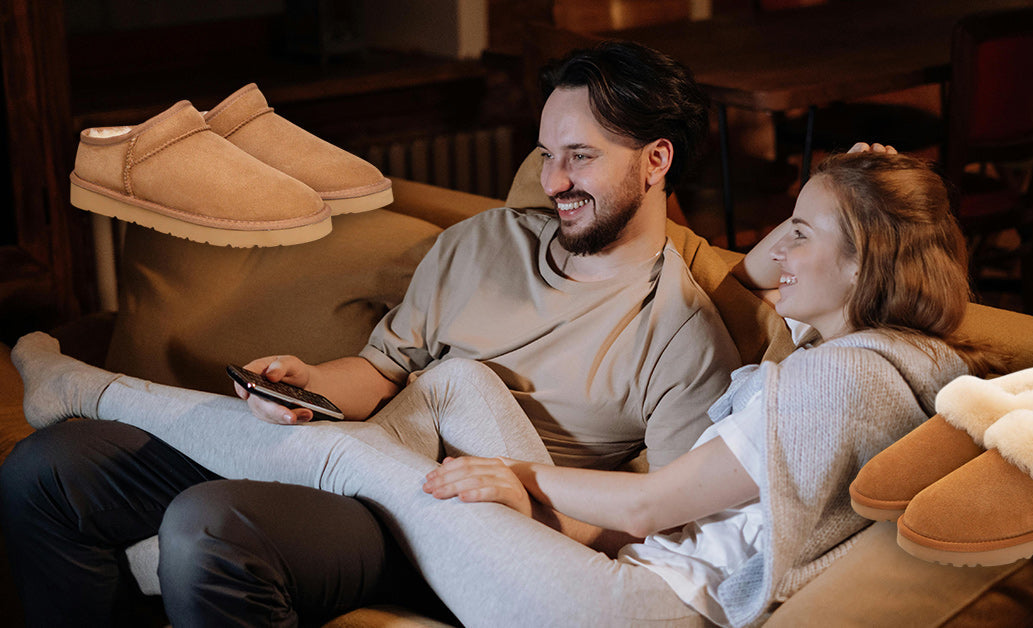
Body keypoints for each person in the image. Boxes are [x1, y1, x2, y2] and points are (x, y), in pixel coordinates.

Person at [8, 148, 996, 627]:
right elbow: (753, 276)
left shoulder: (841, 379)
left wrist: (514, 480)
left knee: (359, 460)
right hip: (632, 567)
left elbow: (651, 503)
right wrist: (848, 185)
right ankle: (295, 465)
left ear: (864, 267)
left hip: (634, 609)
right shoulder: (859, 361)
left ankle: (85, 391)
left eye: (803, 232)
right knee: (458, 376)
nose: (777, 249)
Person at [0, 41, 741, 627]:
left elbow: (666, 529)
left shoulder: (683, 340)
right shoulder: (484, 243)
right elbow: (382, 370)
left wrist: (534, 507)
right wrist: (310, 384)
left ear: (656, 160)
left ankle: (91, 390)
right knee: (50, 467)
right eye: (547, 154)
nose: (553, 182)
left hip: (444, 521)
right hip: (365, 443)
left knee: (210, 527)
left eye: (580, 156)